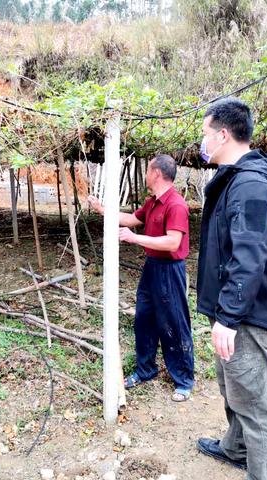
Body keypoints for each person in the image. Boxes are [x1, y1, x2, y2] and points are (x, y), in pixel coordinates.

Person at [194, 97, 267, 479]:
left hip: (246, 313)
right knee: (232, 384)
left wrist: (229, 317)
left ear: (222, 134)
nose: (202, 143)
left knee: (255, 399)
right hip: (233, 309)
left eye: (205, 134)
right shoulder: (237, 180)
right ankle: (235, 448)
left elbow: (250, 257)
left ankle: (265, 474)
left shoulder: (249, 185)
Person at [89, 154, 194, 402]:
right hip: (152, 268)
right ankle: (146, 369)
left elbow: (173, 242)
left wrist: (134, 238)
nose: (145, 174)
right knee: (144, 319)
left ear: (156, 173)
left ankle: (184, 379)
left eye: (148, 170)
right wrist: (102, 209)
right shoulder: (153, 203)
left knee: (174, 323)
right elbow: (131, 220)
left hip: (170, 270)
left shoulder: (176, 204)